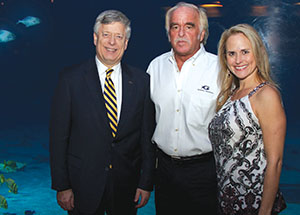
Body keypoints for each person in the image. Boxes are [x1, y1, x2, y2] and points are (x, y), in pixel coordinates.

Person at [49, 10, 155, 215]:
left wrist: (146, 182)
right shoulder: (70, 80)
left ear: (126, 43)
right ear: (95, 38)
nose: (112, 42)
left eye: (119, 36)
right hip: (82, 186)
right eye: (106, 34)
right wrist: (62, 185)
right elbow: (58, 137)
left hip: (127, 187)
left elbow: (146, 137)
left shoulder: (142, 81)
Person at [146, 2, 219, 215]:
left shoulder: (220, 69)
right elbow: (146, 121)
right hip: (164, 171)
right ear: (168, 33)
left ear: (202, 33)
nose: (181, 33)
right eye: (175, 26)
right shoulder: (155, 67)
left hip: (205, 172)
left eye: (189, 26)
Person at [208, 24, 287, 215]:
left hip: (253, 204)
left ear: (258, 52)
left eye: (245, 51)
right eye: (231, 53)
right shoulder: (231, 94)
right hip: (227, 201)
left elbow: (275, 161)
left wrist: (265, 211)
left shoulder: (266, 94)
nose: (238, 60)